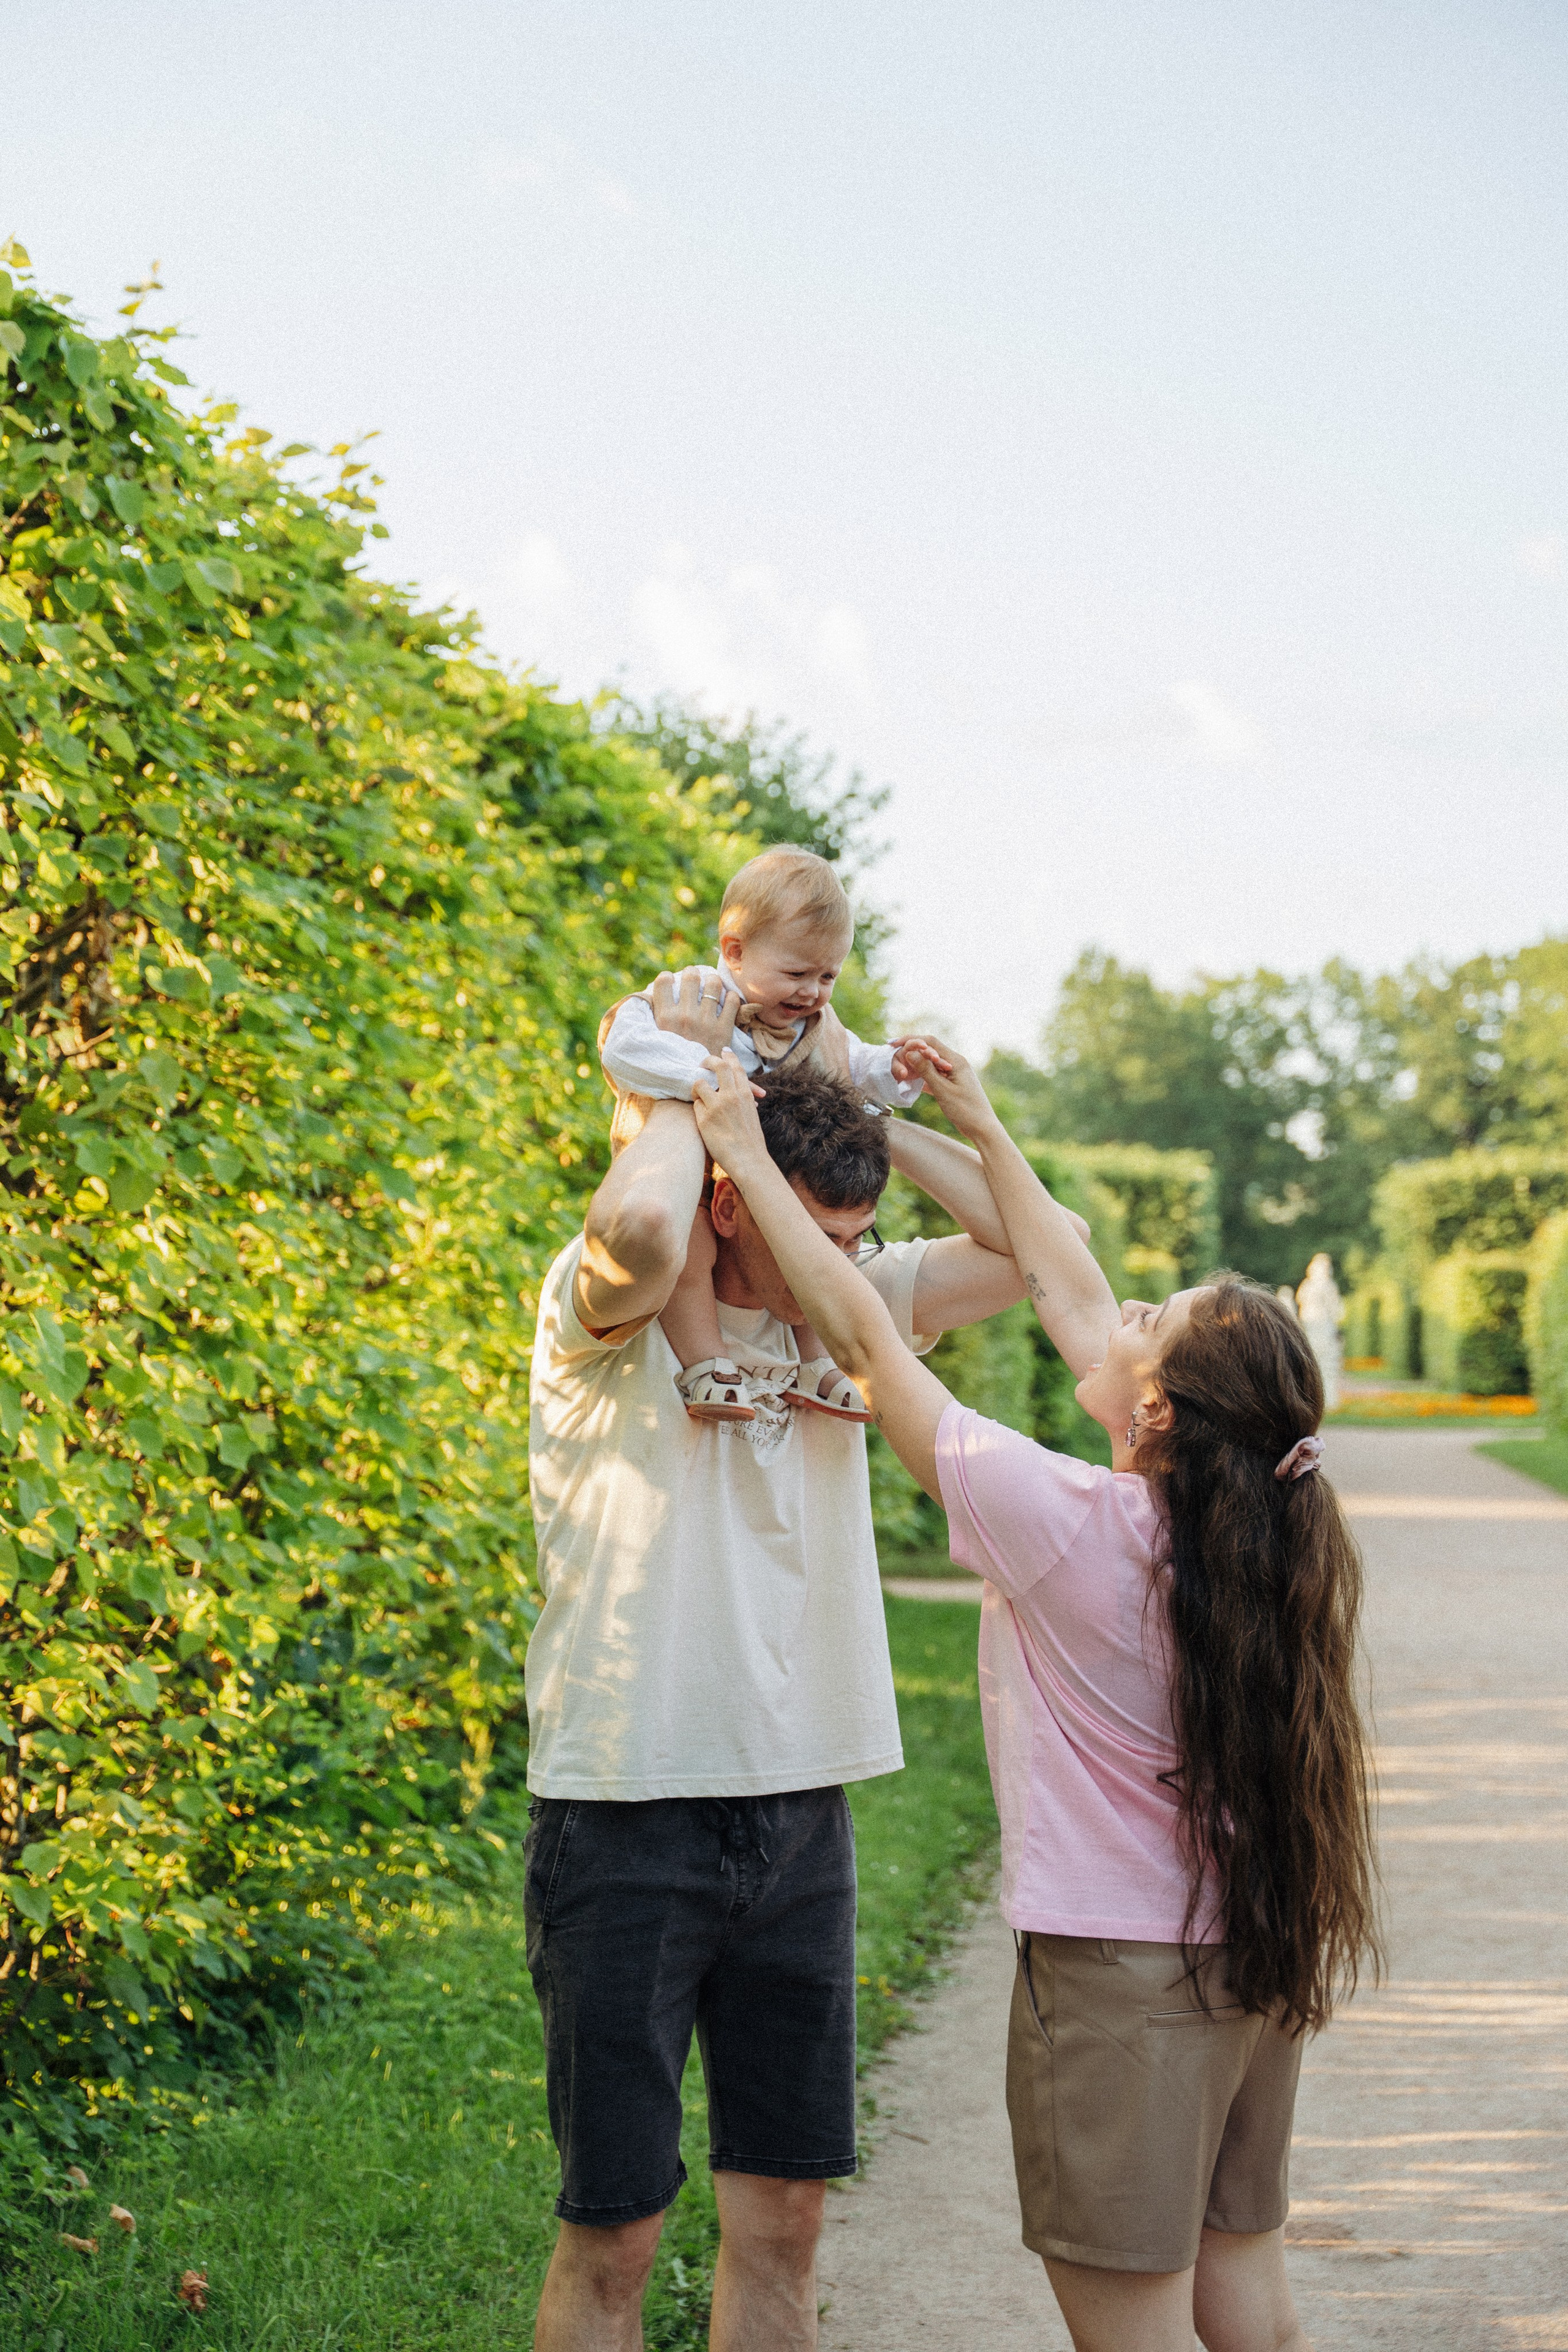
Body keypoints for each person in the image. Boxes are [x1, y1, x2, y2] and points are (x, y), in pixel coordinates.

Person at [689, 1042, 1381, 2352]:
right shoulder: (1246, 1531)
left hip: (1118, 1985)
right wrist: (973, 1120)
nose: (1115, 1312)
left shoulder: (1061, 1522)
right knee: (1252, 2315)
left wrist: (737, 1142)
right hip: (1244, 1949)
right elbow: (1067, 1283)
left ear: (1154, 1409)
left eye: (1143, 1321)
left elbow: (853, 1329)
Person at [524, 1017, 1035, 2352]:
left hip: (802, 1814)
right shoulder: (611, 1319)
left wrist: (906, 1114)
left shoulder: (852, 1305)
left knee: (787, 2224)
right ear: (725, 1201)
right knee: (614, 2233)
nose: (842, 1266)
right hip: (627, 1807)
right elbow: (638, 1231)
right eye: (809, 1229)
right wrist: (702, 1096)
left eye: (855, 1239)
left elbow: (1030, 1250)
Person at [598, 843, 927, 1425]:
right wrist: (703, 1069)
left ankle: (820, 1361)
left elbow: (855, 1062)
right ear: (735, 952)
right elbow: (624, 1048)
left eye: (828, 976)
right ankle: (706, 1362)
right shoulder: (690, 996)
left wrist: (893, 1073)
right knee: (690, 1245)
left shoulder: (813, 1025)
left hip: (763, 1183)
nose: (812, 993)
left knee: (809, 1249)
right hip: (688, 1173)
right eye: (797, 973)